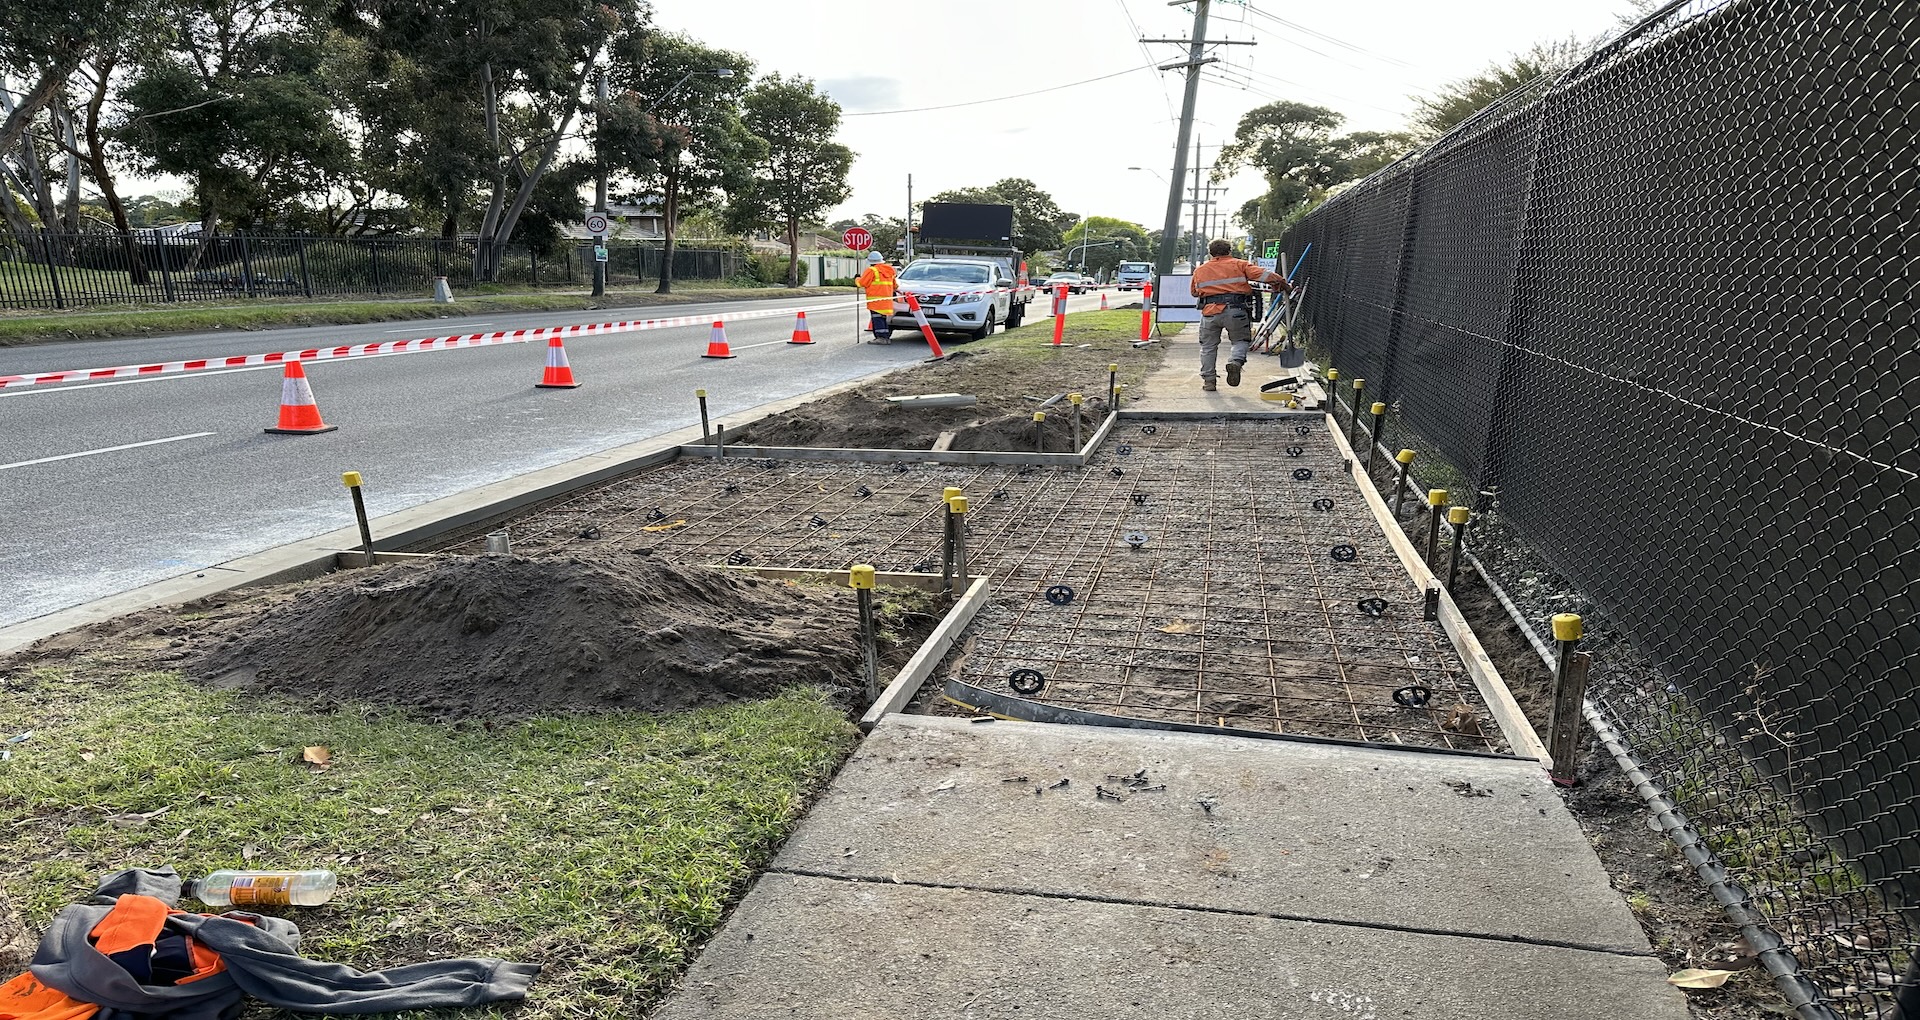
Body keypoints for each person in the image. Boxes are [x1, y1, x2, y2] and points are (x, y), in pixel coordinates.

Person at [1190, 239, 1294, 391]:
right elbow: (1265, 275)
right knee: (1240, 341)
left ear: (1210, 253)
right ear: (1229, 251)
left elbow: (1194, 292)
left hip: (1209, 313)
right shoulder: (1240, 264)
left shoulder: (1200, 270)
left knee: (1208, 347)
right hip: (1236, 310)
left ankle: (1209, 381)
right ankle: (1235, 362)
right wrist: (1283, 284)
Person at [856, 251, 899, 344]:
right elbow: (895, 286)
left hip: (876, 301)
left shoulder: (871, 270)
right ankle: (886, 337)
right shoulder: (889, 270)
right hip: (886, 300)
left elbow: (861, 283)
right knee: (882, 319)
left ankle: (881, 338)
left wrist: (857, 279)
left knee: (877, 319)